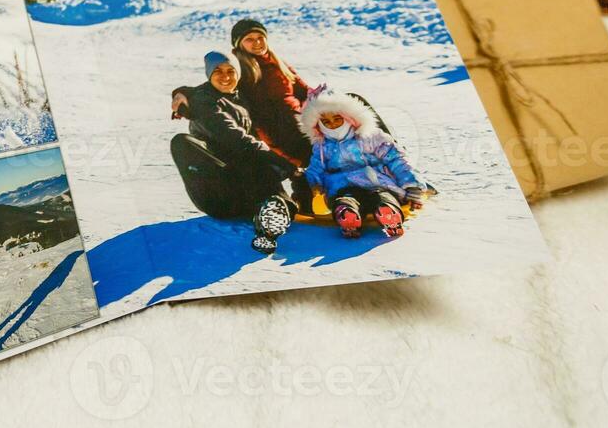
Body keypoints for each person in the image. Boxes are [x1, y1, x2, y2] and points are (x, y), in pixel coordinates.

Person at [170, 50, 303, 254]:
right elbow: (234, 137)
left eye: (230, 71)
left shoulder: (240, 96)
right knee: (183, 142)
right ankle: (266, 206)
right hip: (220, 189)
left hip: (246, 179)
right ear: (208, 74)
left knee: (253, 155)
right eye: (218, 72)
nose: (225, 77)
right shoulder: (203, 102)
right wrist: (287, 168)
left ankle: (273, 212)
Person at [300, 86, 427, 239]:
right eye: (326, 121)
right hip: (342, 186)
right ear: (318, 124)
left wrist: (412, 186)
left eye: (337, 119)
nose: (332, 124)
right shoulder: (322, 146)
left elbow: (396, 158)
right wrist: (313, 184)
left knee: (381, 196)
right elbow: (316, 167)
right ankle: (347, 215)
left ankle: (388, 213)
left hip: (376, 182)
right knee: (345, 199)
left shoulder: (369, 136)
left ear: (348, 117)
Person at [231, 19, 314, 167]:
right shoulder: (238, 67)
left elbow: (304, 90)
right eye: (249, 39)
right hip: (273, 130)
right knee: (306, 161)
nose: (257, 42)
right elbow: (216, 84)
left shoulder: (277, 62)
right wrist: (184, 93)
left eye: (260, 38)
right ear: (239, 44)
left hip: (299, 121)